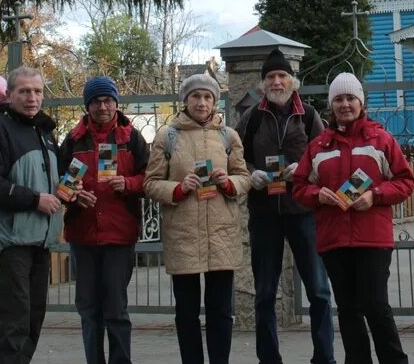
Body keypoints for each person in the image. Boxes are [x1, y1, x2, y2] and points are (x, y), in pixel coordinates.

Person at [292, 72, 414, 364]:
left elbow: (405, 181)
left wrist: (376, 195)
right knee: (347, 309)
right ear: (331, 105)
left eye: (350, 98)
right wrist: (318, 195)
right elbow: (299, 187)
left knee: (375, 306)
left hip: (372, 238)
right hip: (334, 240)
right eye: (338, 99)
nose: (344, 104)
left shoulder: (381, 140)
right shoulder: (319, 147)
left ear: (361, 102)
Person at [235, 48, 335, 364]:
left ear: (292, 81)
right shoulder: (251, 118)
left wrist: (303, 169)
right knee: (265, 293)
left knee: (319, 291)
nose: (276, 82)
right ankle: (269, 359)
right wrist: (253, 175)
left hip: (304, 212)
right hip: (264, 213)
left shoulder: (308, 115)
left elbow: (324, 157)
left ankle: (324, 357)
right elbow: (236, 160)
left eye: (282, 76)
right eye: (271, 77)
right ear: (263, 84)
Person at [144, 73, 251, 364]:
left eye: (207, 97)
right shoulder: (168, 136)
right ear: (186, 100)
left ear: (215, 101)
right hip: (184, 234)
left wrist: (228, 183)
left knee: (220, 311)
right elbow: (151, 183)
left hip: (221, 235)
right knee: (187, 312)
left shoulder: (228, 136)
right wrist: (178, 188)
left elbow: (244, 178)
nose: (201, 102)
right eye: (195, 96)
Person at [0, 65, 65, 364]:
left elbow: (51, 180)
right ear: (9, 95)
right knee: (14, 323)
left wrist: (69, 194)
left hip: (41, 240)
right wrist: (34, 200)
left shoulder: (44, 132)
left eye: (37, 91)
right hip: (13, 242)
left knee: (33, 320)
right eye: (24, 91)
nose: (32, 98)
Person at [58, 75, 149, 364]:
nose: (103, 107)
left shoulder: (132, 138)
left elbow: (152, 178)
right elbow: (58, 184)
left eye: (108, 100)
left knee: (116, 310)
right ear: (87, 106)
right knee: (88, 309)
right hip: (83, 235)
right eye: (96, 101)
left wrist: (130, 183)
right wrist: (73, 195)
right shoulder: (73, 140)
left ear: (116, 103)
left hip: (119, 236)